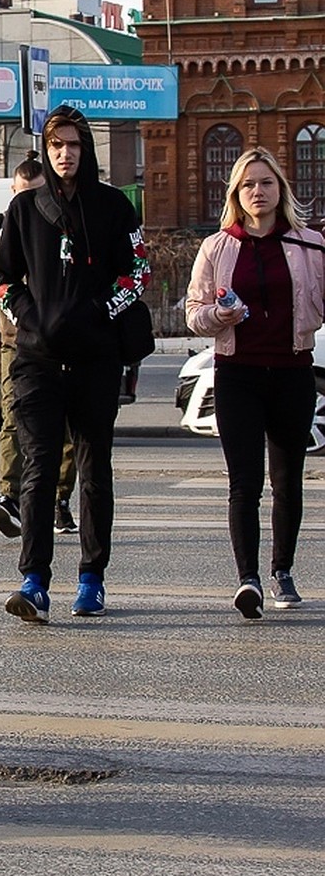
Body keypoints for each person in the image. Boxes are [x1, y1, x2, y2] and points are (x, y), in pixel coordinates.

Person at [0, 106, 151, 622]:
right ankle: (34, 579)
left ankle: (92, 578)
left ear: (87, 149)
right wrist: (30, 319)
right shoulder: (23, 211)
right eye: (56, 146)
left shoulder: (113, 207)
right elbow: (2, 277)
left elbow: (139, 271)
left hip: (95, 361)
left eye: (74, 145)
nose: (65, 154)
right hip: (36, 360)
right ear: (45, 149)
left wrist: (101, 312)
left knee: (92, 469)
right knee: (38, 469)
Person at [185, 147, 325, 619]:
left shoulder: (310, 244)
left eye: (266, 183)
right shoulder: (217, 247)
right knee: (244, 484)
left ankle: (282, 569)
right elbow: (193, 313)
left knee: (287, 482)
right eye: (248, 184)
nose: (258, 192)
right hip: (237, 374)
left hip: (292, 371)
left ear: (280, 189)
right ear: (236, 194)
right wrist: (219, 315)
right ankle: (249, 580)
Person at [0, 151, 78, 539]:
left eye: (35, 194)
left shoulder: (63, 222)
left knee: (67, 424)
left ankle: (59, 500)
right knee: (13, 419)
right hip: (14, 342)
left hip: (60, 342)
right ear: (11, 190)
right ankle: (10, 497)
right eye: (21, 193)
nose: (27, 202)